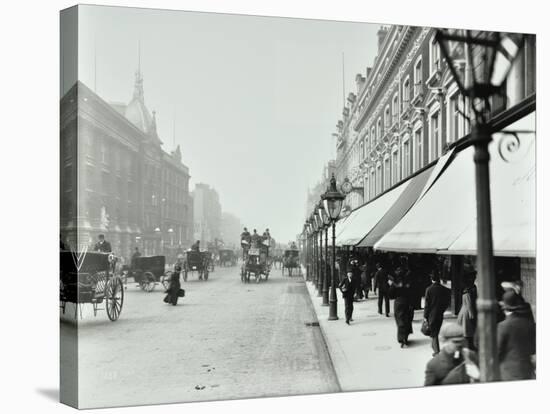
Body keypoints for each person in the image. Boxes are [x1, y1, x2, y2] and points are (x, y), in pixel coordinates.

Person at [497, 290, 536, 380]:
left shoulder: (503, 326)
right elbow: (534, 348)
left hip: (508, 373)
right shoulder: (530, 324)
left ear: (505, 309)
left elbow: (497, 351)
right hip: (528, 371)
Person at [423, 273, 452, 355]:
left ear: (432, 279)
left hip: (431, 315)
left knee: (434, 333)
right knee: (435, 331)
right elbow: (447, 301)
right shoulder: (444, 289)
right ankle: (434, 347)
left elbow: (427, 305)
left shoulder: (428, 289)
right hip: (440, 313)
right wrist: (443, 309)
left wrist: (425, 316)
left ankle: (437, 352)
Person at [388, 268, 415, 347]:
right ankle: (405, 338)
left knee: (400, 320)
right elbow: (412, 292)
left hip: (398, 303)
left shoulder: (395, 283)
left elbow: (390, 295)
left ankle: (401, 338)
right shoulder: (408, 282)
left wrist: (391, 286)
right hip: (407, 302)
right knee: (407, 320)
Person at [457, 269, 478, 350]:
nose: (474, 278)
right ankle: (469, 347)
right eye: (473, 277)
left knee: (469, 332)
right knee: (468, 332)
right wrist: (472, 316)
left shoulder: (473, 287)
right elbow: (469, 305)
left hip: (467, 311)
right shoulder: (468, 290)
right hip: (467, 313)